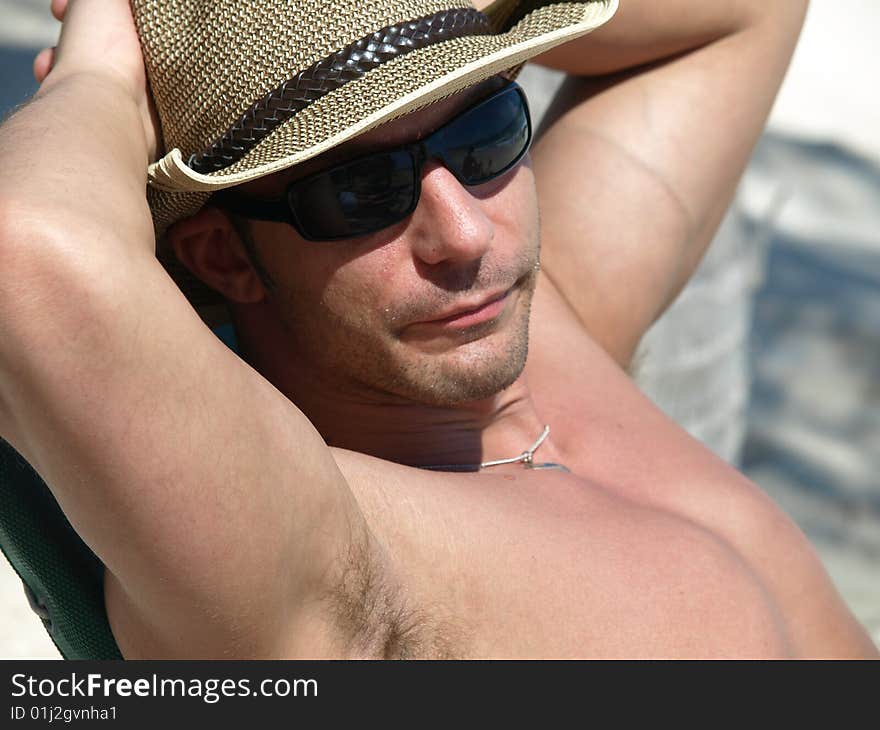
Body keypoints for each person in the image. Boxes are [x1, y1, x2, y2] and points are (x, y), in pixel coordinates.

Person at [0, 0, 875, 659]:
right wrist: (103, 74)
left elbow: (745, 12)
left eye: (486, 132)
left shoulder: (546, 323)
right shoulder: (323, 563)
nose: (463, 233)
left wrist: (403, 14)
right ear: (223, 255)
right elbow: (24, 252)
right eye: (361, 192)